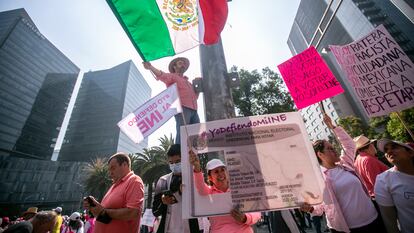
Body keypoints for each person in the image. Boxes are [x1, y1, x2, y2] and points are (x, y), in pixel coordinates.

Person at [300, 114, 384, 233]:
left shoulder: (345, 164)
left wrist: (333, 127)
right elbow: (320, 208)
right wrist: (310, 208)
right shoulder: (319, 179)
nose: (334, 149)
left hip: (374, 219)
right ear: (320, 154)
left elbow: (349, 145)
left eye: (332, 146)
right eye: (329, 148)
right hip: (349, 229)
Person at [189, 152, 261, 233]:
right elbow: (200, 187)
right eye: (216, 172)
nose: (220, 174)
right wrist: (197, 168)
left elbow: (257, 213)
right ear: (210, 177)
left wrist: (245, 218)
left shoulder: (240, 190)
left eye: (222, 170)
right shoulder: (209, 193)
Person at [143, 58, 200, 144]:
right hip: (182, 108)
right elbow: (162, 75)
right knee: (182, 135)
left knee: (196, 135)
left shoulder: (189, 83)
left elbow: (195, 97)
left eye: (184, 64)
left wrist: (198, 89)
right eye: (180, 63)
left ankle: (193, 156)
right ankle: (179, 156)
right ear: (174, 66)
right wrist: (150, 67)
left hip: (194, 110)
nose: (183, 65)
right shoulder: (172, 76)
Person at [84, 152, 145, 233]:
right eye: (109, 169)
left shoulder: (134, 181)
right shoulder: (114, 185)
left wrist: (103, 211)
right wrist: (95, 209)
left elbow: (133, 213)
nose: (110, 173)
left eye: (113, 168)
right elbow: (105, 216)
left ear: (124, 165)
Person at [152, 144, 200, 233]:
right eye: (171, 163)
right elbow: (155, 211)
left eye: (178, 161)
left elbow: (202, 203)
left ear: (185, 159)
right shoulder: (163, 181)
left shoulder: (195, 177)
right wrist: (163, 202)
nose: (174, 165)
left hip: (190, 228)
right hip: (167, 229)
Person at [374, 139, 414, 233]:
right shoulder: (383, 180)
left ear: (410, 153)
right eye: (386, 150)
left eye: (394, 147)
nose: (389, 151)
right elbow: (390, 222)